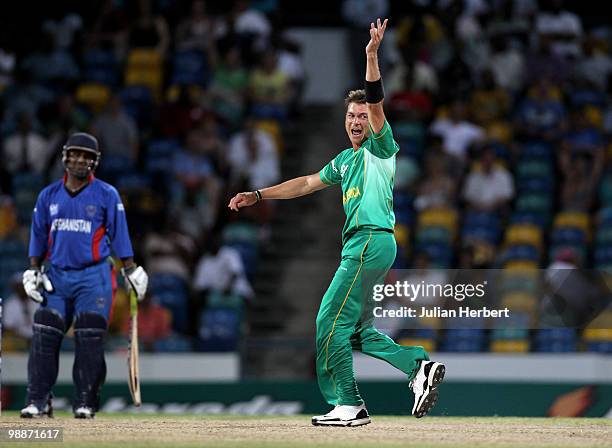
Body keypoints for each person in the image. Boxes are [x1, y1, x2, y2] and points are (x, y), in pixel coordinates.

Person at [228, 18, 445, 427]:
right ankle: (417, 367)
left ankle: (348, 403)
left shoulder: (382, 146)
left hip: (367, 242)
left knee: (329, 320)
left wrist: (371, 56)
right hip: (369, 246)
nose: (356, 121)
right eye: (351, 115)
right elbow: (306, 183)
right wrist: (259, 195)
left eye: (362, 115)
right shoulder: (345, 160)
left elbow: (378, 100)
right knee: (358, 330)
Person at [20, 132, 149, 419]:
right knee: (44, 330)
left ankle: (86, 401)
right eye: (75, 154)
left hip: (95, 276)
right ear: (65, 156)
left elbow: (119, 233)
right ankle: (37, 400)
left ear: (95, 162)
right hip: (57, 275)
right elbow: (38, 235)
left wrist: (131, 269)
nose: (80, 160)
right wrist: (33, 269)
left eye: (86, 156)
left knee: (89, 334)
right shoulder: (48, 196)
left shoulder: (106, 194)